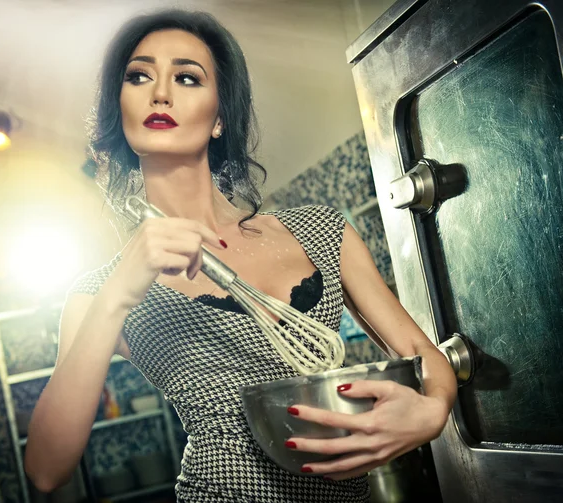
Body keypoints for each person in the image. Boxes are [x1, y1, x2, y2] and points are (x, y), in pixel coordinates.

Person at [24, 9, 457, 502]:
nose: (159, 92)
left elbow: (425, 357)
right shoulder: (98, 291)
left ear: (220, 117)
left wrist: (432, 410)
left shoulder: (321, 231)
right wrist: (118, 294)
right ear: (120, 109)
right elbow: (45, 468)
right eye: (139, 76)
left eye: (186, 77)